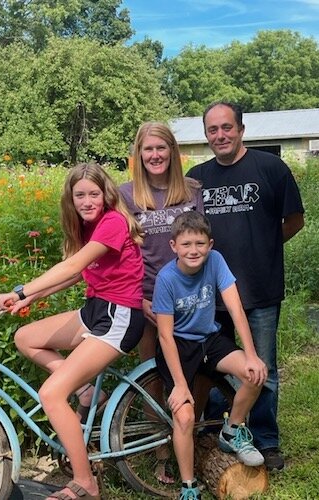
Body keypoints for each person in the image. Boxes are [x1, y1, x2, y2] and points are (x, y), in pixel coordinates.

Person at [0, 163, 145, 500]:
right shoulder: (87, 227)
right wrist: (30, 298)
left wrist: (18, 291)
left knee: (52, 394)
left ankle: (85, 482)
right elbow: (76, 275)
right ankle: (87, 393)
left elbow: (72, 266)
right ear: (70, 199)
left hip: (119, 317)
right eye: (79, 195)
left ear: (106, 194)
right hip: (95, 310)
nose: (87, 201)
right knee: (25, 338)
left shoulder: (113, 222)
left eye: (93, 193)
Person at [186, 101, 305, 471]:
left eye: (227, 127)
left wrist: (263, 249)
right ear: (206, 134)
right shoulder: (196, 178)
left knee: (261, 368)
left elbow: (294, 220)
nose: (220, 135)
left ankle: (266, 440)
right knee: (215, 367)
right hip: (210, 294)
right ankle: (220, 430)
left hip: (259, 288)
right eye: (212, 130)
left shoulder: (271, 168)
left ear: (241, 129)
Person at [152, 211, 268, 500]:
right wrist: (179, 384)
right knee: (186, 416)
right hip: (177, 345)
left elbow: (235, 309)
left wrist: (251, 354)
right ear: (173, 246)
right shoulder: (166, 279)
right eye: (187, 244)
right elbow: (165, 335)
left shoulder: (215, 261)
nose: (194, 250)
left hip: (209, 338)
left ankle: (231, 430)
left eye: (200, 243)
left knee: (255, 374)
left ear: (211, 244)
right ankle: (189, 486)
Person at [119, 121, 203, 483]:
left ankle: (192, 442)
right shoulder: (125, 196)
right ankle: (160, 453)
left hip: (190, 299)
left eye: (161, 148)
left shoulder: (192, 191)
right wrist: (139, 299)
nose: (155, 155)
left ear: (172, 152)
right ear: (138, 155)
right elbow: (123, 253)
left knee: (192, 374)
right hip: (149, 299)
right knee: (152, 378)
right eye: (148, 149)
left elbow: (202, 245)